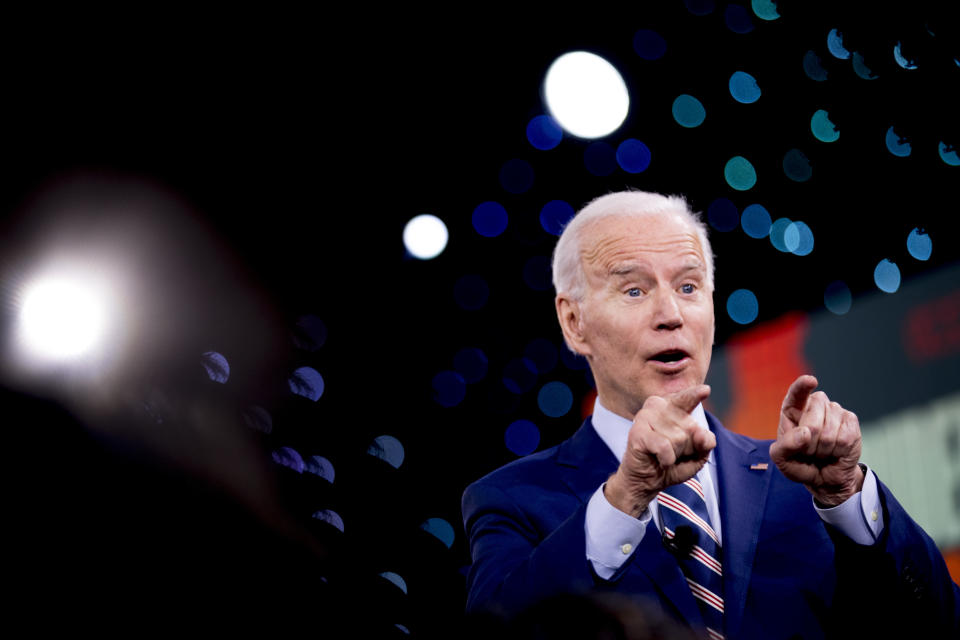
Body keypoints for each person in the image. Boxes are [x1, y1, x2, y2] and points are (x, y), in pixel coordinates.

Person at [461, 190, 960, 638]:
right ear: (574, 323)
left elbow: (938, 624)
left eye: (688, 287)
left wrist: (848, 496)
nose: (671, 315)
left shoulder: (806, 484)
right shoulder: (512, 499)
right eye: (634, 290)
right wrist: (623, 498)